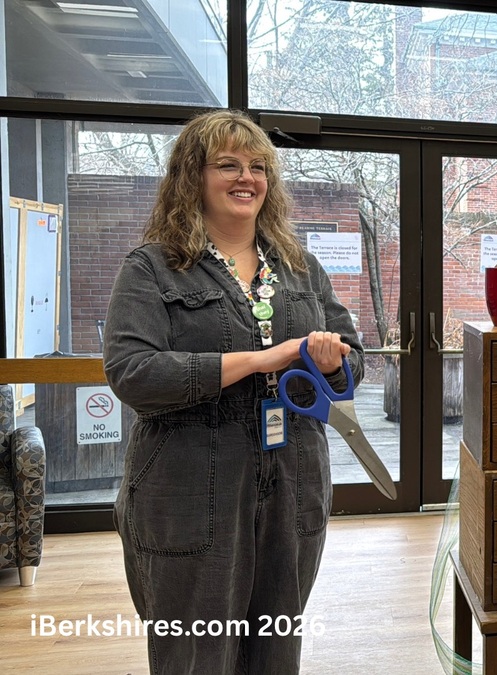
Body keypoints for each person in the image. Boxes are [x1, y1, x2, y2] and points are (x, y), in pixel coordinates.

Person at [103, 109, 364, 674]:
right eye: (228, 165)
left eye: (257, 167)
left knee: (276, 650)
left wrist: (332, 361)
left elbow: (352, 363)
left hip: (293, 486)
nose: (246, 178)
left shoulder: (300, 267)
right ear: (192, 177)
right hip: (189, 490)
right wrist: (258, 360)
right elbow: (132, 372)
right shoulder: (152, 269)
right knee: (196, 654)